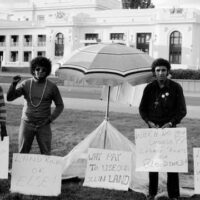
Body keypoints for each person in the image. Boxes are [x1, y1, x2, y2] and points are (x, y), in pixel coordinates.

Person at [139, 58, 187, 200]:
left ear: (168, 71)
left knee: (172, 165)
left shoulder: (176, 87)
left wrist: (171, 123)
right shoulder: (149, 88)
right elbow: (142, 109)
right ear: (154, 72)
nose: (161, 73)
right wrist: (149, 122)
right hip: (152, 131)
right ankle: (152, 193)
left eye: (163, 70)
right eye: (158, 70)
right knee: (152, 164)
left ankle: (173, 195)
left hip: (170, 131)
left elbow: (182, 110)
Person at [7, 56, 64, 155]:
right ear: (33, 70)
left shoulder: (52, 87)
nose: (40, 72)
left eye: (43, 70)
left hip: (44, 124)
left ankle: (45, 171)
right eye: (38, 69)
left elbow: (60, 105)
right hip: (27, 123)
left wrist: (50, 119)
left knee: (46, 153)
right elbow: (10, 98)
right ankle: (22, 170)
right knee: (22, 153)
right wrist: (13, 85)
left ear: (47, 72)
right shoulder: (26, 84)